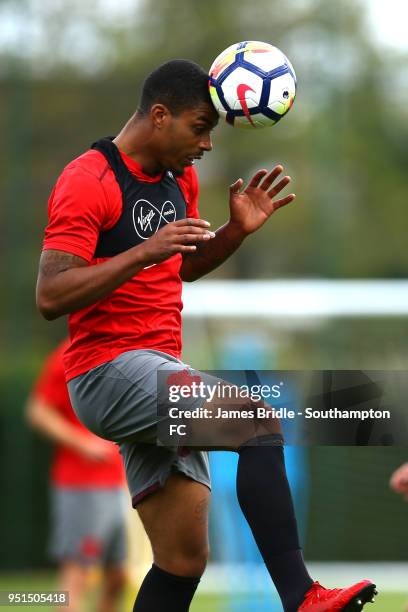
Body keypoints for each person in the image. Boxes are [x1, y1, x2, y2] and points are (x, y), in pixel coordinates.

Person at [36, 59, 377, 611]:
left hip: (158, 367)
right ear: (161, 115)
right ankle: (303, 596)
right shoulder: (87, 179)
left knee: (182, 561)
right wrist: (144, 249)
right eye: (201, 127)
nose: (208, 145)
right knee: (256, 419)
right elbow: (51, 295)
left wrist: (235, 232)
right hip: (106, 370)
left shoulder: (180, 178)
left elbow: (183, 267)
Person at [26, 338, 128, 612]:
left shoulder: (123, 348)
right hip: (82, 485)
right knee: (78, 575)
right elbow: (37, 411)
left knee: (119, 577)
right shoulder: (68, 352)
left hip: (118, 484)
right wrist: (83, 443)